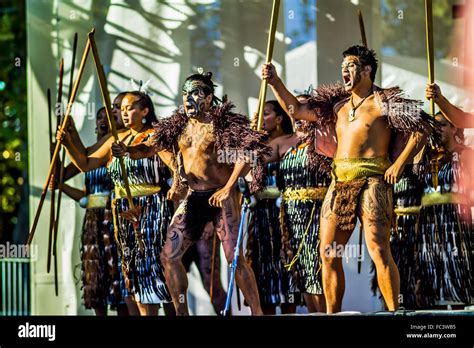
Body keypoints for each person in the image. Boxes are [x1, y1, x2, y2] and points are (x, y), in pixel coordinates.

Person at [261, 45, 431, 313]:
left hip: (374, 180)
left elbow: (422, 128)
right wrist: (274, 81)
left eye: (351, 65)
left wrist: (399, 164)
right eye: (343, 66)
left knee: (377, 248)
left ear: (367, 70)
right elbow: (295, 110)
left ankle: (394, 311)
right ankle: (333, 313)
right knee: (327, 252)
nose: (344, 70)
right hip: (339, 181)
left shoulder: (384, 102)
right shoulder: (337, 107)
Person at [116, 72, 269, 315]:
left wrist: (229, 187)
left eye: (196, 93)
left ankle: (257, 312)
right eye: (186, 93)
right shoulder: (178, 126)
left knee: (234, 258)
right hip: (194, 198)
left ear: (209, 98)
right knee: (168, 256)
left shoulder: (223, 124)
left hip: (222, 197)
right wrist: (127, 150)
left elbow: (249, 154)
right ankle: (181, 312)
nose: (189, 98)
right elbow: (149, 148)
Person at [58, 91, 174, 316]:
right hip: (123, 213)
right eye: (122, 110)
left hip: (150, 209)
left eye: (129, 108)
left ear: (145, 111)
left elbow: (161, 161)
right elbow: (84, 163)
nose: (123, 113)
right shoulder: (115, 139)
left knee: (156, 273)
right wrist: (67, 143)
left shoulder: (156, 136)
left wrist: (128, 151)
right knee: (133, 277)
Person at [53, 106, 131, 316]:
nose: (104, 121)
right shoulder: (88, 153)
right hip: (93, 223)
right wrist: (58, 148)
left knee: (118, 279)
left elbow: (87, 169)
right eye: (100, 118)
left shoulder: (112, 153)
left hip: (113, 220)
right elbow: (60, 177)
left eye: (110, 118)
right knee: (95, 278)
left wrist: (70, 139)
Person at [416, 112, 473, 308]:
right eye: (433, 125)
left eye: (440, 124)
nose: (435, 129)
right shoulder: (426, 157)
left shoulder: (466, 154)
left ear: (454, 127)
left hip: (455, 225)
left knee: (456, 280)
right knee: (432, 281)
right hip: (429, 226)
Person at [246, 100, 295, 314]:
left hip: (284, 214)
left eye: (265, 114)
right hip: (260, 212)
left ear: (279, 118)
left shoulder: (289, 141)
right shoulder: (253, 145)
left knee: (285, 265)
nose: (259, 118)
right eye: (257, 114)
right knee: (261, 266)